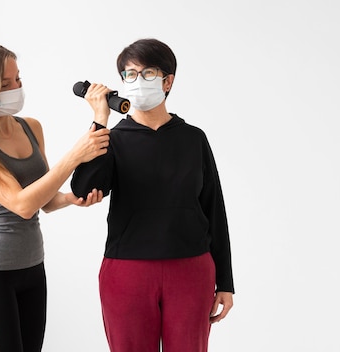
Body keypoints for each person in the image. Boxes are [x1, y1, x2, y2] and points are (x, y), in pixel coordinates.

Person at [70, 38, 234, 352]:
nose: (137, 81)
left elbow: (214, 208)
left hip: (191, 270)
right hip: (128, 271)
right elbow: (84, 189)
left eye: (147, 73)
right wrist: (99, 119)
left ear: (167, 80)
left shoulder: (193, 139)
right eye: (129, 75)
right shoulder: (112, 138)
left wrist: (225, 282)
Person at [0, 42, 110, 352]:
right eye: (5, 83)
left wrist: (70, 199)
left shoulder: (31, 127)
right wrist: (74, 155)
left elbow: (44, 200)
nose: (15, 88)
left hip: (33, 269)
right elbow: (22, 205)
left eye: (17, 79)